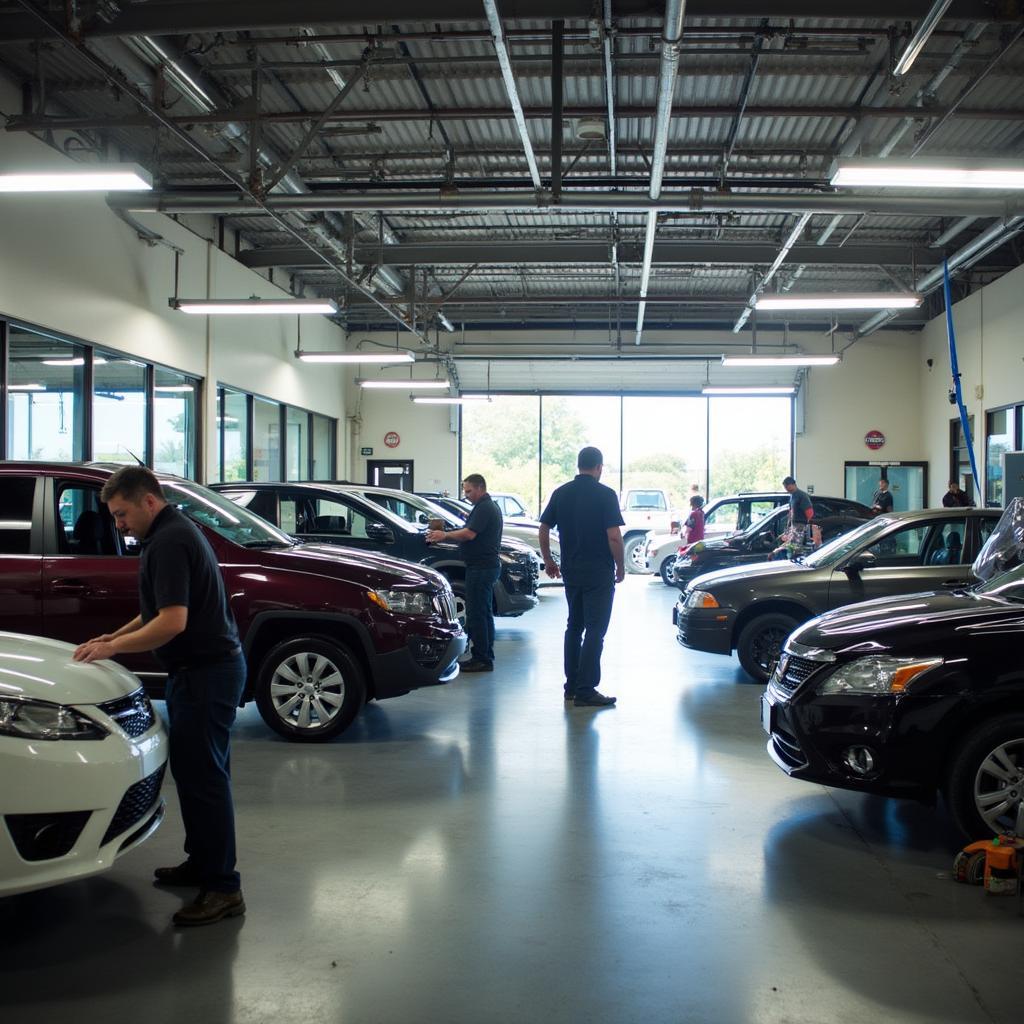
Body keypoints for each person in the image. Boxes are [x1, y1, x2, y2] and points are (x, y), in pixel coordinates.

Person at [73, 467, 247, 927]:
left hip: (207, 674)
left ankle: (224, 888)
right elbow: (154, 609)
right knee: (194, 775)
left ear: (149, 501)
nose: (118, 524)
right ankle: (202, 864)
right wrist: (116, 633)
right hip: (199, 672)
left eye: (122, 514)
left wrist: (112, 648)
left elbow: (173, 622)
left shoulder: (170, 541)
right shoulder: (169, 534)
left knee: (206, 780)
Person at [538, 447, 625, 709]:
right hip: (599, 572)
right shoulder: (606, 495)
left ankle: (571, 686)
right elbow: (613, 536)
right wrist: (621, 566)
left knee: (574, 627)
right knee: (596, 630)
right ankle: (586, 689)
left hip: (572, 571)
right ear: (599, 467)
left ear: (579, 466)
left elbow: (543, 529)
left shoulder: (561, 493)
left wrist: (549, 561)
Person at [426, 474, 503, 672]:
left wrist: (444, 535)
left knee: (477, 614)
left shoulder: (485, 507)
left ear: (480, 488)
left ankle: (482, 658)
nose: (466, 495)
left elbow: (469, 533)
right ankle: (485, 654)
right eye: (465, 491)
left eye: (469, 491)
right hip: (485, 566)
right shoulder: (486, 507)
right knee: (484, 613)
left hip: (481, 567)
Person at [782, 475, 814, 546]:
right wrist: (788, 526)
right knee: (791, 547)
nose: (786, 489)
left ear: (793, 485)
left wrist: (806, 528)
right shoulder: (792, 496)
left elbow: (810, 513)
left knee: (797, 548)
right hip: (794, 526)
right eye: (785, 487)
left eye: (787, 487)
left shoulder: (802, 496)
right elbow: (791, 511)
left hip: (800, 526)